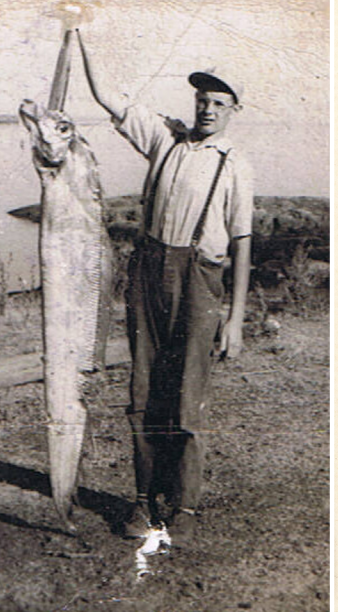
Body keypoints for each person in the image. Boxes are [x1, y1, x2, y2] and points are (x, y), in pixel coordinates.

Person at [76, 30, 253, 539]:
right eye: (202, 100)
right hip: (148, 274)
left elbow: (242, 245)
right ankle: (142, 502)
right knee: (144, 390)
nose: (208, 110)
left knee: (186, 396)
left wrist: (235, 321)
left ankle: (186, 507)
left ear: (234, 109)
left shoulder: (235, 164)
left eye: (219, 103)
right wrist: (80, 32)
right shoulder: (164, 139)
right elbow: (107, 96)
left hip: (199, 282)